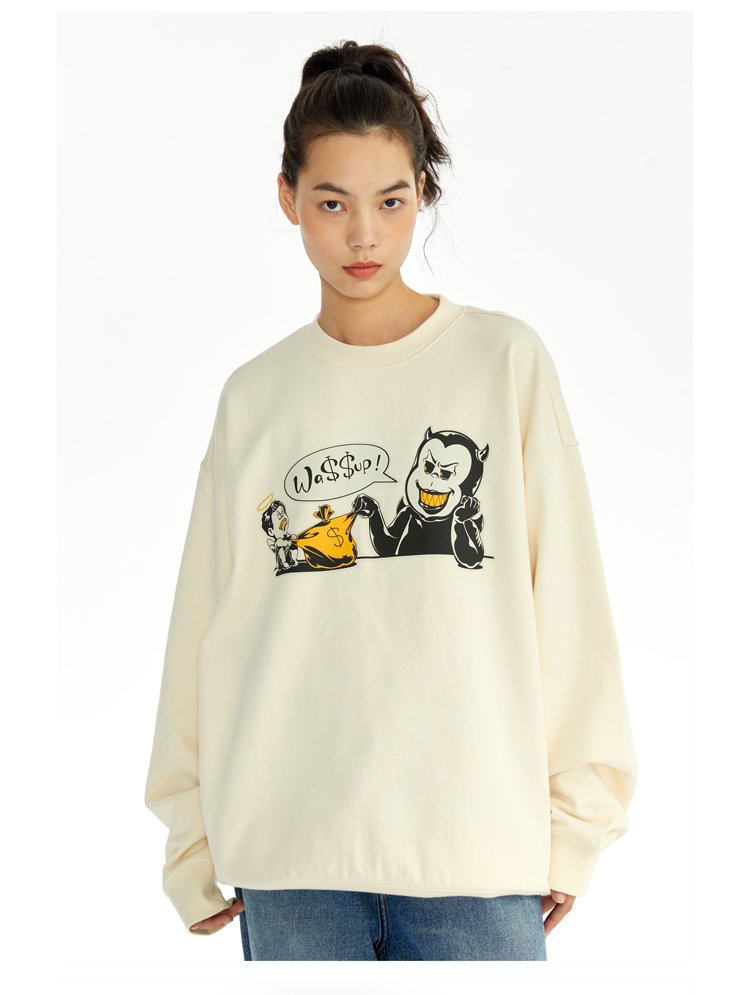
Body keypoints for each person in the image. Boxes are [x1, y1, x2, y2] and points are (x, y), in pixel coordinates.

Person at [144, 38, 638, 961]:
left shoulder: (503, 363)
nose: (363, 235)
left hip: (474, 859)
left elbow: (568, 601)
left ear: (423, 196)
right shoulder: (255, 398)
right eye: (332, 202)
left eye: (391, 201)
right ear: (288, 198)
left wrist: (575, 822)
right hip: (292, 863)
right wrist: (190, 837)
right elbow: (201, 628)